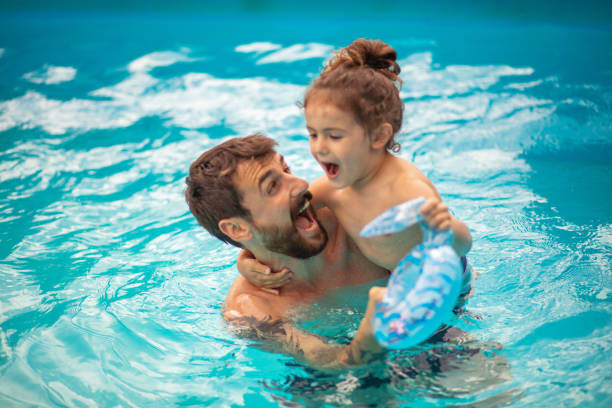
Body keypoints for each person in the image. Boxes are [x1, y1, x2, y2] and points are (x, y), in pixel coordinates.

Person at [239, 39, 475, 346]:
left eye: (334, 136)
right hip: (397, 282)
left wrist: (445, 227)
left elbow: (462, 245)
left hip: (441, 282)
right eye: (312, 134)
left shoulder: (405, 190)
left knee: (446, 346)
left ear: (378, 136)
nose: (320, 147)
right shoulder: (332, 189)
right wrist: (245, 261)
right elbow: (284, 219)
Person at [184, 134, 390, 367]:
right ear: (237, 229)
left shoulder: (348, 217)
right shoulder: (251, 309)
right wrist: (375, 327)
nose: (301, 183)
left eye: (287, 169)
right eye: (272, 186)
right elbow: (331, 364)